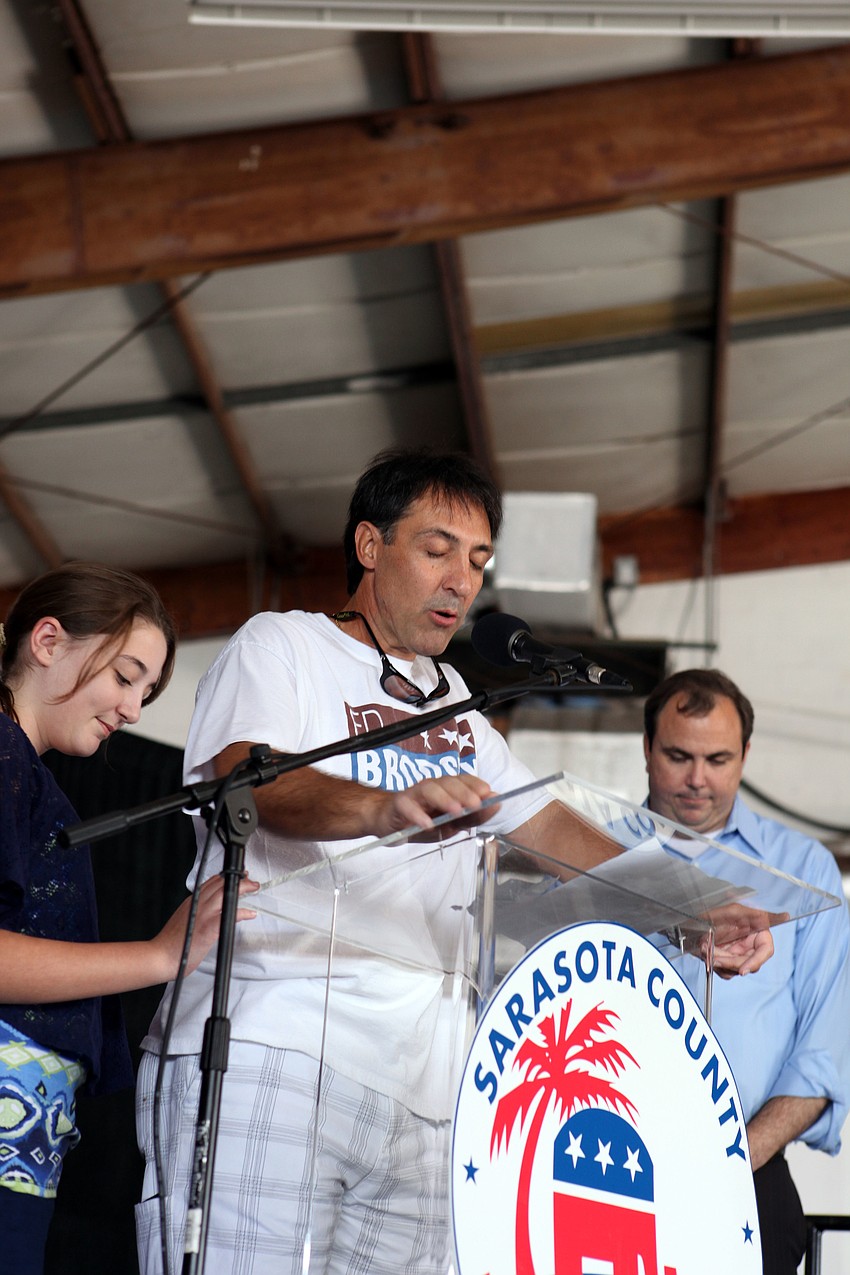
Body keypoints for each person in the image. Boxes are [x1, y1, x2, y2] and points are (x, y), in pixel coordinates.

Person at [136, 449, 775, 1275]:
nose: (462, 581)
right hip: (275, 1047)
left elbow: (558, 832)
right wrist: (380, 805)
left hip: (431, 1096)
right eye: (437, 549)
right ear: (370, 545)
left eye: (478, 561)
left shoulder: (463, 715)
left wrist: (694, 910)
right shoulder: (284, 645)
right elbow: (243, 777)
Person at [0, 561, 257, 1275]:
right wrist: (154, 955)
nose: (136, 709)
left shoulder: (32, 775)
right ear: (47, 640)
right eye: (126, 676)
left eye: (147, 690)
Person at [643, 667, 850, 1275]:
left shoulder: (802, 868)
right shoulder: (592, 851)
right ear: (647, 747)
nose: (697, 779)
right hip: (604, 1159)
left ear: (746, 755)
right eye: (678, 756)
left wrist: (732, 1157)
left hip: (749, 1175)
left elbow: (826, 1051)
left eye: (718, 759)